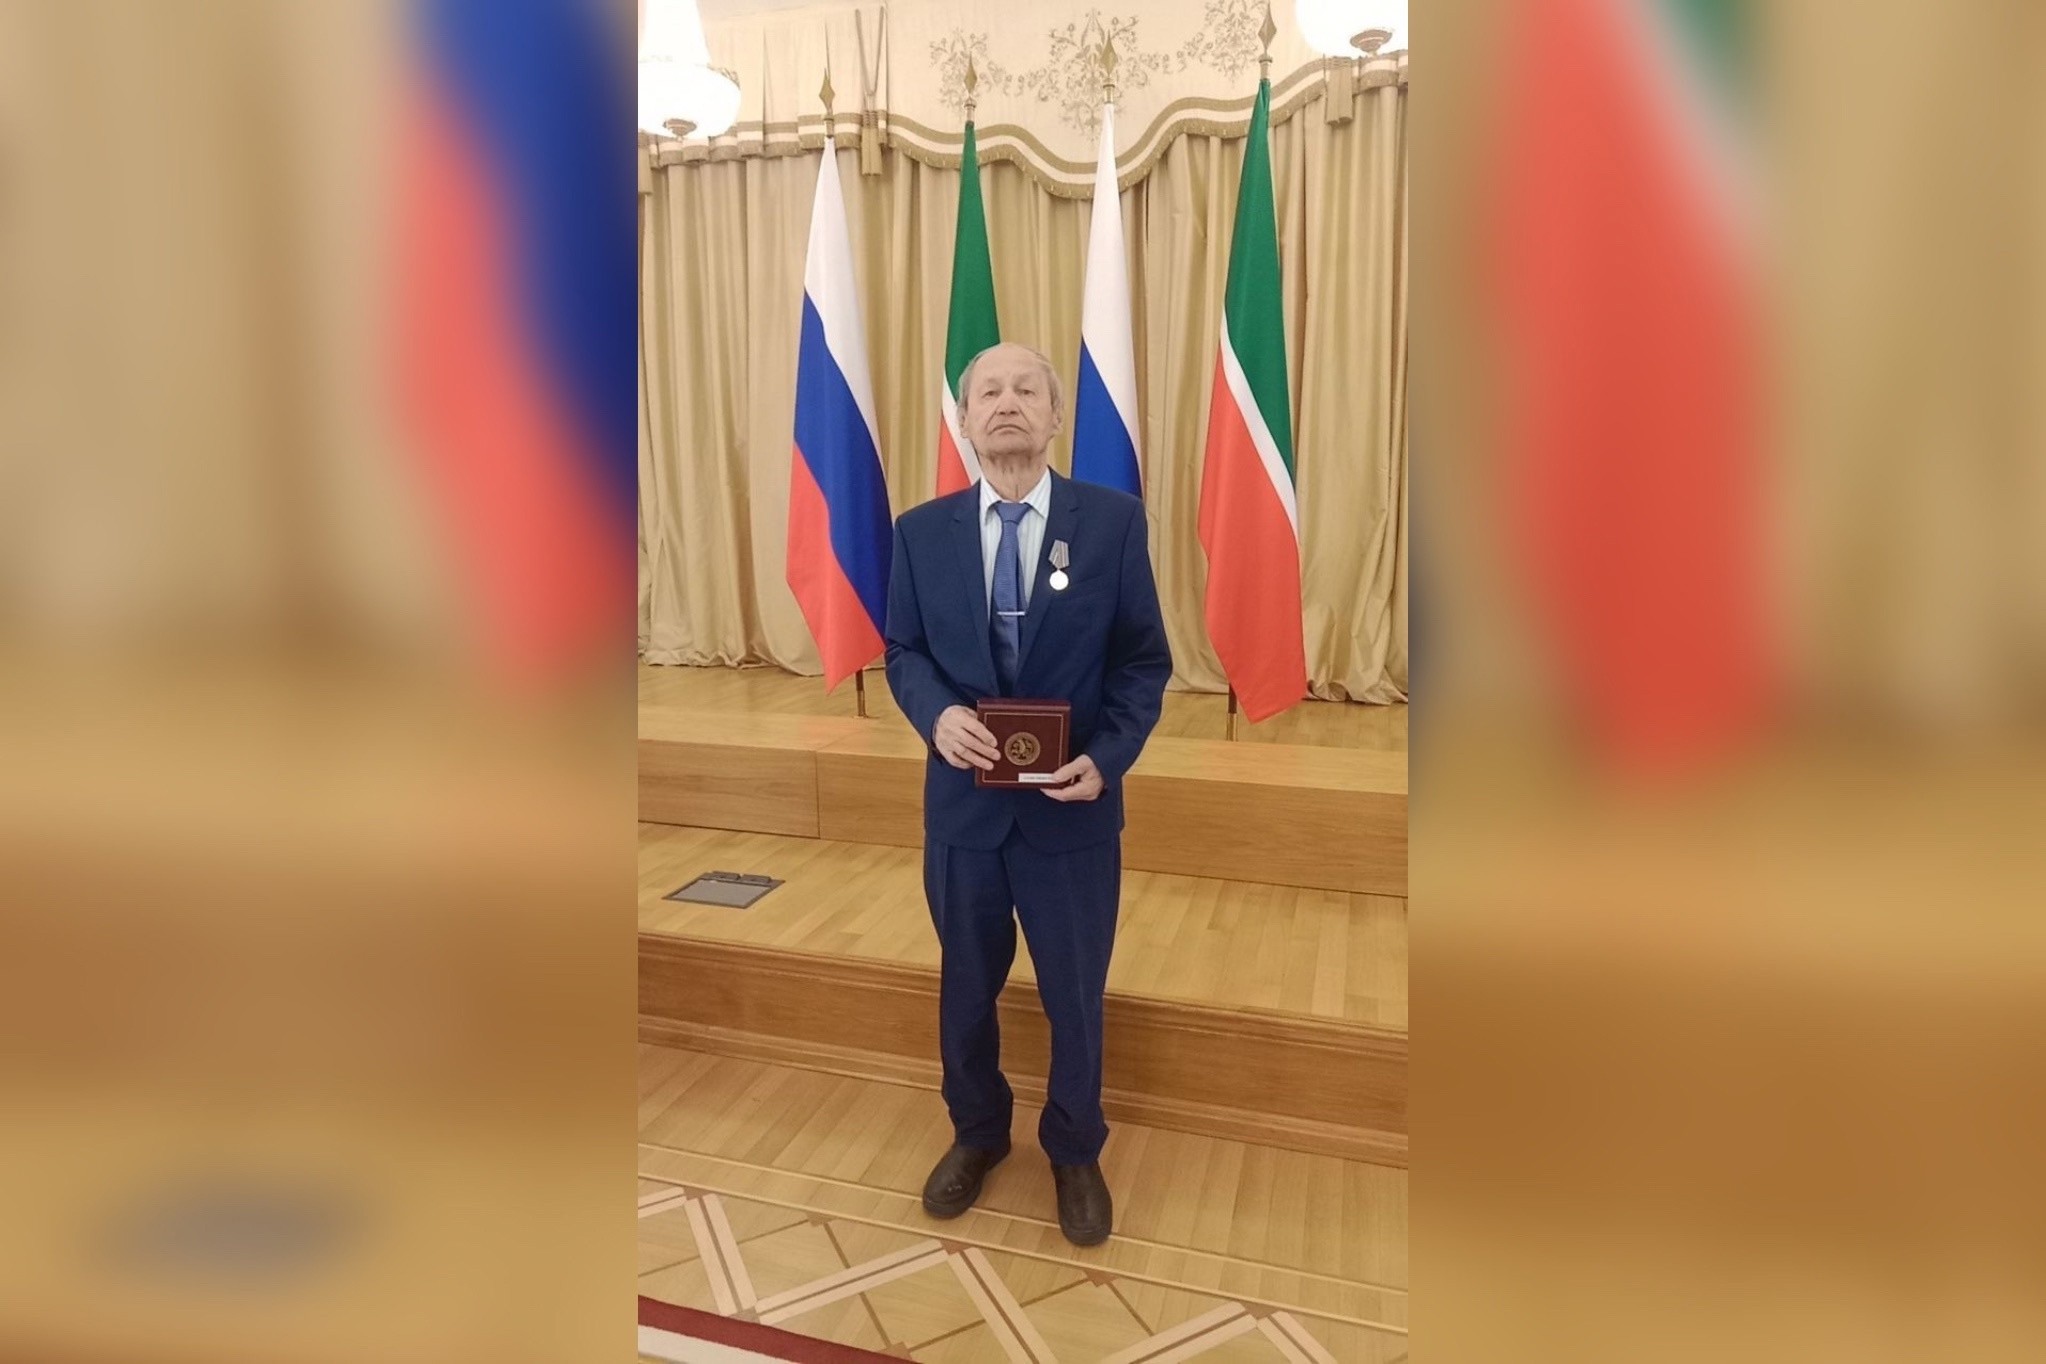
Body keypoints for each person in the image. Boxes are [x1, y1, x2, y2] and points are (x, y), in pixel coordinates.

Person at [884, 341, 1172, 1246]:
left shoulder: (1113, 524)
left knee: (1073, 993)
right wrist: (935, 715)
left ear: (1055, 416)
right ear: (965, 419)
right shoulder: (920, 532)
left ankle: (1075, 1149)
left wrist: (1109, 758)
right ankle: (977, 1133)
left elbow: (1141, 662)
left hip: (1071, 810)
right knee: (966, 988)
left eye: (1025, 390)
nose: (1005, 403)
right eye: (988, 392)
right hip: (963, 813)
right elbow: (904, 651)